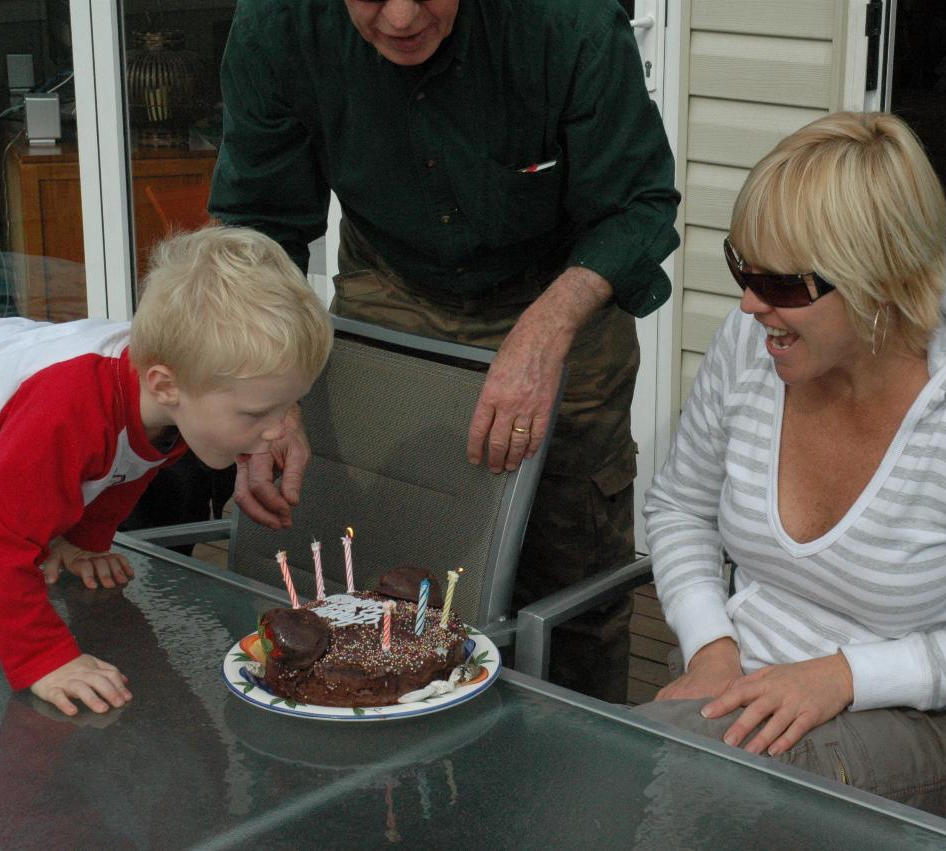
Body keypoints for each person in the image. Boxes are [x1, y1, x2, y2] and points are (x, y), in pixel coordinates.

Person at [208, 0, 681, 700]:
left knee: (572, 584)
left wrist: (546, 331)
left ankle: (580, 791)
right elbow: (258, 226)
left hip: (562, 287)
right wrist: (265, 392)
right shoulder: (278, 24)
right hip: (390, 277)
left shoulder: (567, 22)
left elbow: (637, 203)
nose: (400, 18)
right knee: (389, 563)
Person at [634, 112, 946, 813]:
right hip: (737, 689)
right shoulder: (750, 347)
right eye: (741, 267)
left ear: (881, 283)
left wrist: (844, 675)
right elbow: (680, 507)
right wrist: (709, 646)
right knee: (635, 766)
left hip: (913, 720)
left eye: (784, 285)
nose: (750, 303)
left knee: (660, 783)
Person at [0, 226, 333, 717]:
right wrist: (43, 659)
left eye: (287, 407)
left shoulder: (172, 394)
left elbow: (126, 465)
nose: (274, 432)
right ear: (165, 386)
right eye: (256, 414)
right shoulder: (67, 414)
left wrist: (82, 541)